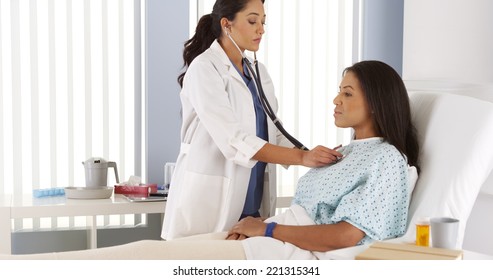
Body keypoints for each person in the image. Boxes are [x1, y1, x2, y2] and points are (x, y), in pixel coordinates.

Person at [1, 60, 420, 260]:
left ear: (378, 101)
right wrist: (267, 228)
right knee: (141, 252)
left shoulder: (385, 160)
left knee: (141, 260)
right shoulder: (342, 153)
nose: (335, 99)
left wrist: (269, 228)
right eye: (338, 89)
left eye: (347, 92)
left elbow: (348, 236)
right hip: (272, 239)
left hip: (287, 253)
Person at [162, 0, 342, 240]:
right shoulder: (204, 68)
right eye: (252, 21)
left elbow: (273, 132)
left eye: (263, 22)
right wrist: (302, 158)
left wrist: (314, 156)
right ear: (227, 24)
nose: (261, 29)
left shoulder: (258, 71)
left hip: (252, 206)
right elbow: (233, 140)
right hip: (211, 204)